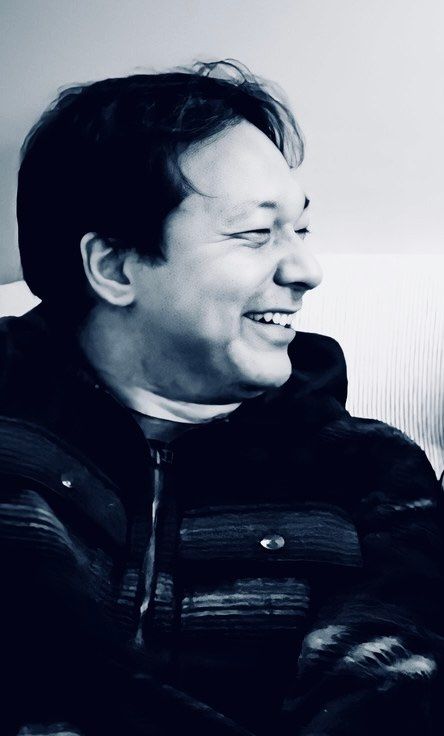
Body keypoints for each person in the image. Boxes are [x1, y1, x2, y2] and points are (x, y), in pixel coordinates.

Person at [0, 60, 443, 736]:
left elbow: (390, 697)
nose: (307, 270)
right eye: (256, 233)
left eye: (300, 230)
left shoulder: (372, 473)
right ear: (114, 267)